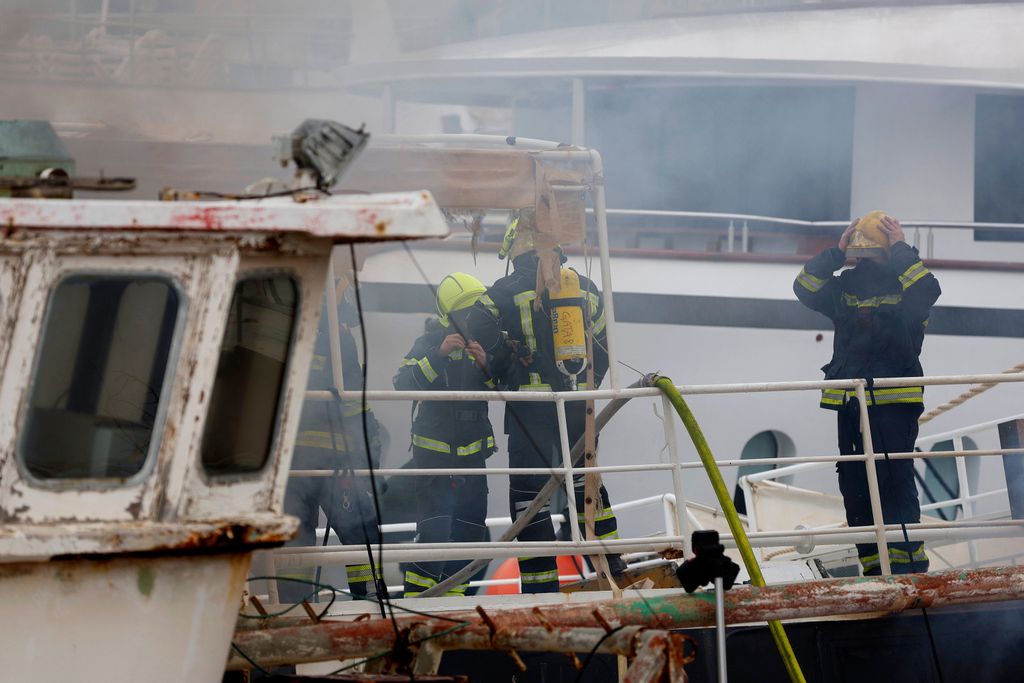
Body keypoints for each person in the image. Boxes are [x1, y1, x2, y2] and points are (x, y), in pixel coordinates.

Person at [794, 211, 940, 575]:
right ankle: (874, 568)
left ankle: (908, 570)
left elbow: (927, 289)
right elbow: (804, 287)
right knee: (856, 485)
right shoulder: (844, 286)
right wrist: (836, 254)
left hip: (892, 403)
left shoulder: (908, 288)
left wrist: (900, 248)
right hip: (850, 402)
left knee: (893, 483)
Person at [487, 216, 625, 593]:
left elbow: (487, 350)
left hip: (529, 410)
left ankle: (539, 585)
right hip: (579, 405)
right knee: (586, 482)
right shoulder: (585, 289)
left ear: (517, 250)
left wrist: (503, 373)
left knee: (528, 497)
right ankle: (613, 562)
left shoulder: (502, 292)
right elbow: (605, 345)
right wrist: (586, 385)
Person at [393, 272, 503, 597]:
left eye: (473, 309)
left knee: (471, 531)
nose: (469, 316)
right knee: (434, 532)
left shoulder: (484, 342)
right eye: (463, 309)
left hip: (473, 455)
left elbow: (502, 385)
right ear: (448, 313)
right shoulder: (429, 343)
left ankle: (454, 599)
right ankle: (417, 600)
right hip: (435, 456)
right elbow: (403, 384)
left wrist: (487, 365)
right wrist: (437, 355)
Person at [279, 285, 385, 602]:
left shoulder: (289, 335)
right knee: (360, 530)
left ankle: (294, 606)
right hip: (335, 457)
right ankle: (368, 600)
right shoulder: (340, 343)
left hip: (292, 464)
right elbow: (355, 404)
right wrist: (369, 459)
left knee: (297, 538)